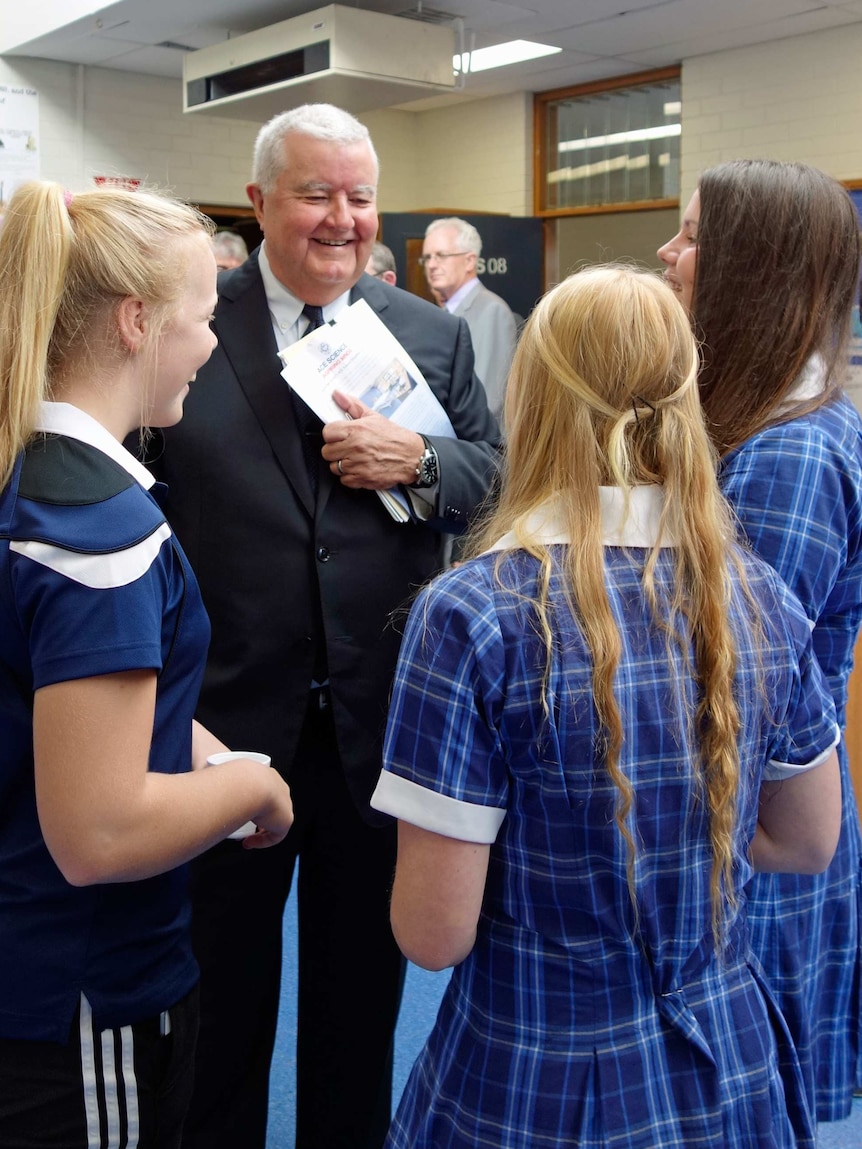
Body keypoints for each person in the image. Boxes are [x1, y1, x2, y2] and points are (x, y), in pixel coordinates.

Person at [371, 264, 842, 1149]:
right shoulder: (757, 596)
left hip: (532, 1076)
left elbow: (433, 932)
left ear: (537, 401)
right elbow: (810, 837)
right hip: (725, 1069)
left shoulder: (474, 614)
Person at [144, 103, 501, 1149]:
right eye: (315, 194)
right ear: (258, 205)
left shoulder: (429, 336)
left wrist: (422, 463)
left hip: (376, 731)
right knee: (220, 1012)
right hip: (221, 727)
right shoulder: (190, 326)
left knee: (356, 1012)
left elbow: (497, 481)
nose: (342, 219)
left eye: (359, 196)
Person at [0, 180, 294, 1149]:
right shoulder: (100, 533)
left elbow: (89, 707)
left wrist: (205, 753)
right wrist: (253, 784)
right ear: (137, 322)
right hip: (80, 999)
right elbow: (100, 828)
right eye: (204, 319)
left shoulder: (31, 475)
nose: (214, 346)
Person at [658, 159, 862, 1124]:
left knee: (741, 1099)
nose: (668, 253)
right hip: (744, 819)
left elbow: (737, 679)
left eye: (693, 236)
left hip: (758, 833)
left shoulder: (788, 451)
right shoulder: (755, 420)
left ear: (756, 270)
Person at [421, 217, 517, 420]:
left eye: (441, 255)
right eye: (427, 257)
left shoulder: (492, 310)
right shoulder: (443, 312)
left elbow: (489, 399)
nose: (431, 265)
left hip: (475, 446)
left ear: (470, 261)